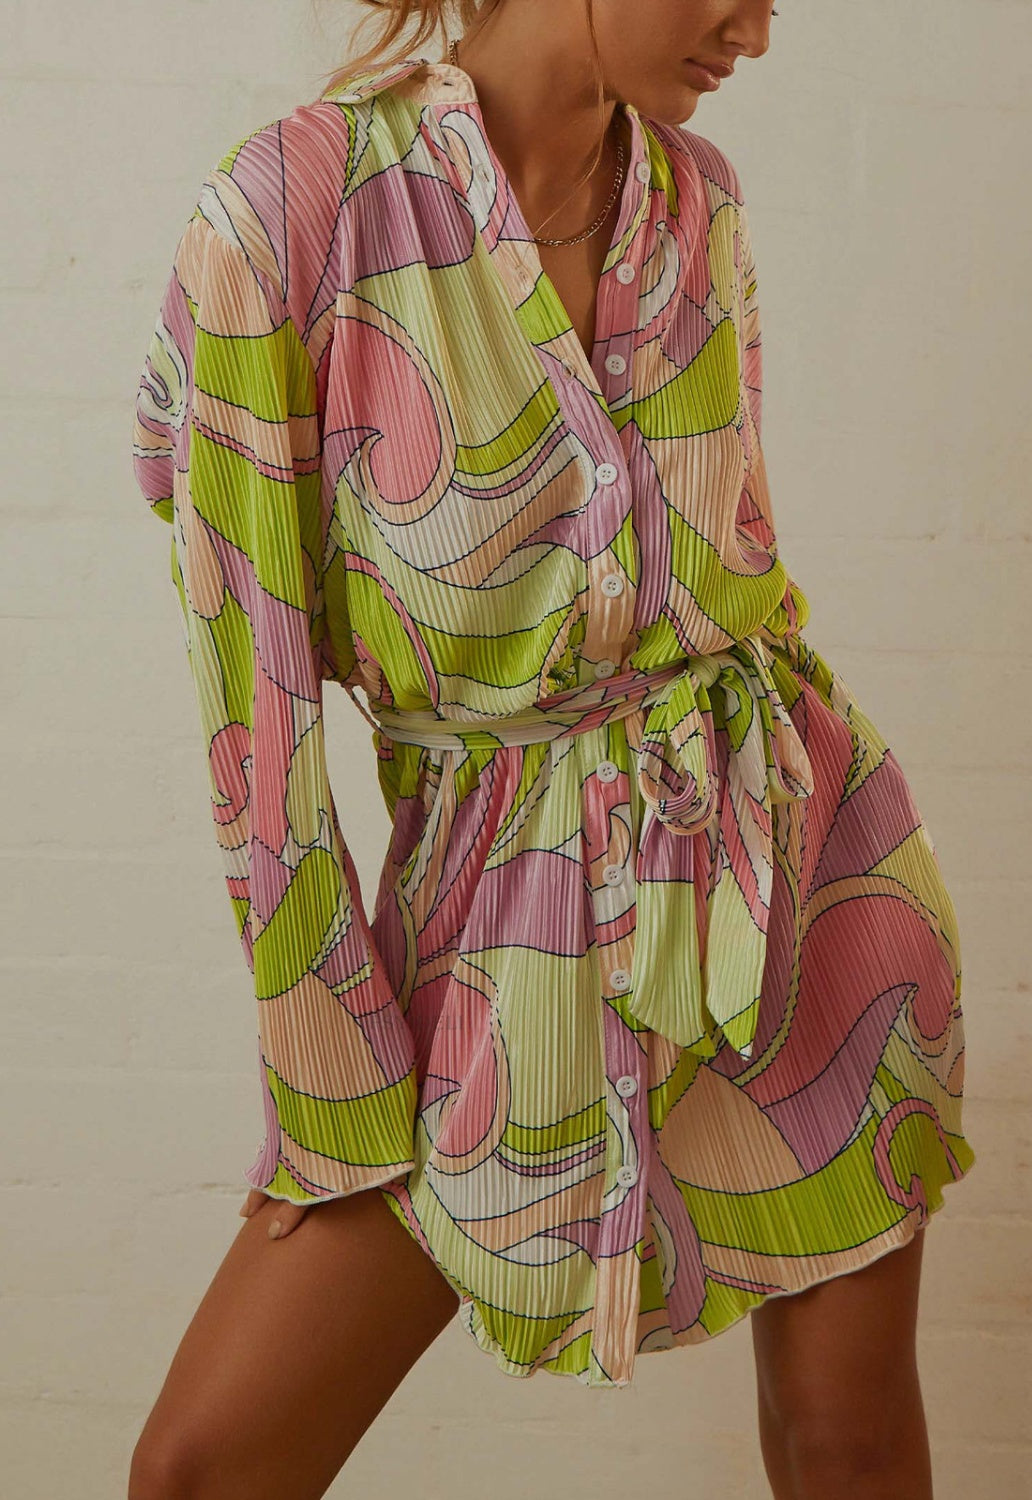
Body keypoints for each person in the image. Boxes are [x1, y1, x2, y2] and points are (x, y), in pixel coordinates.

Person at [128, 2, 976, 1496]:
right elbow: (250, 687)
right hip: (490, 906)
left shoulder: (696, 202)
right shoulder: (295, 209)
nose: (755, 28)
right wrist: (326, 1055)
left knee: (848, 1447)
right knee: (206, 1472)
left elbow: (725, 580)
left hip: (792, 874)